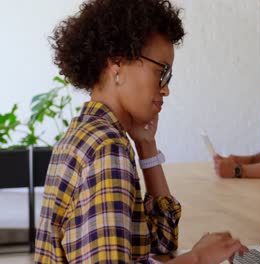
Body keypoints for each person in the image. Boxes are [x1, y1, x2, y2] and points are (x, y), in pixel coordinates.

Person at [34, 0, 247, 263]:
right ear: (117, 65)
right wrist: (199, 258)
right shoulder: (105, 147)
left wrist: (146, 146)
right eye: (162, 72)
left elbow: (160, 240)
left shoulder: (89, 131)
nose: (166, 88)